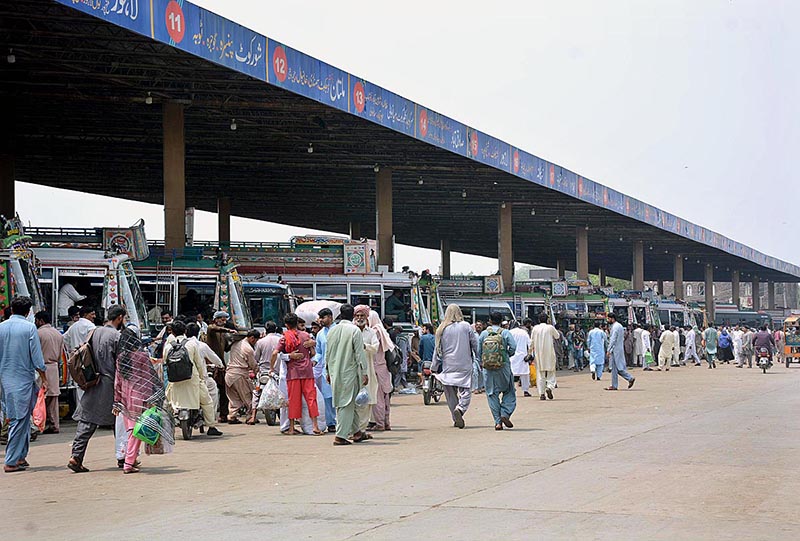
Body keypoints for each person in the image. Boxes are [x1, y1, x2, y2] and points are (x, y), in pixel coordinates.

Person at [68, 305, 126, 473]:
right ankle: (124, 457)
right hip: (110, 384)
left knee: (87, 421)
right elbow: (122, 364)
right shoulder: (117, 336)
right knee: (120, 422)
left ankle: (76, 456)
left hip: (92, 380)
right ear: (120, 318)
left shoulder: (93, 332)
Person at [113, 325, 173, 474]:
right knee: (136, 432)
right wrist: (153, 398)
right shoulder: (142, 356)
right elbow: (148, 378)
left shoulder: (121, 358)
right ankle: (128, 463)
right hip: (140, 398)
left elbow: (117, 381)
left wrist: (117, 401)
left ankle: (130, 460)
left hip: (126, 398)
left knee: (133, 432)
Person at [0, 296, 47, 473]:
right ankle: (11, 460)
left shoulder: (1, 327)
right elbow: (37, 359)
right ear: (28, 312)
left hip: (5, 380)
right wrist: (45, 378)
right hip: (22, 380)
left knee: (21, 419)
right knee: (19, 420)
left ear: (12, 309)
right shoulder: (29, 328)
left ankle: (20, 457)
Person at [165, 321, 223, 437]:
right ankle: (211, 426)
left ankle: (167, 426)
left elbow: (166, 363)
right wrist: (201, 377)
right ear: (184, 331)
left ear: (172, 332)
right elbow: (199, 364)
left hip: (174, 381)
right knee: (207, 402)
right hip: (192, 380)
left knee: (167, 404)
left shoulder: (168, 346)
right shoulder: (192, 345)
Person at [325, 304, 370, 445]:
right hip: (349, 372)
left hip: (334, 371)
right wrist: (364, 372)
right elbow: (359, 354)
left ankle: (357, 432)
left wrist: (327, 371)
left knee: (348, 403)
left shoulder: (332, 331)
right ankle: (340, 436)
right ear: (353, 316)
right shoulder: (354, 330)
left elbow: (327, 353)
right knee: (346, 404)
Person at [272, 314, 321, 435]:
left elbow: (274, 353)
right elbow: (313, 353)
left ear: (286, 325)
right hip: (307, 372)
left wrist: (271, 368)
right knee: (311, 398)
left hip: (293, 373)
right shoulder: (306, 336)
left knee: (293, 400)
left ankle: (292, 427)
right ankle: (315, 426)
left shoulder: (284, 338)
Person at [432, 304, 477, 428]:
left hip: (448, 367)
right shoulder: (466, 326)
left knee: (450, 394)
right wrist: (479, 358)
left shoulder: (441, 328)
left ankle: (455, 416)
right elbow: (475, 344)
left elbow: (437, 350)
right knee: (466, 390)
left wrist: (434, 367)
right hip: (465, 365)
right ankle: (461, 409)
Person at [478, 311, 516, 430]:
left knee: (491, 394)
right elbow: (513, 347)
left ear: (489, 321)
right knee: (509, 391)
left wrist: (483, 362)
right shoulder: (505, 333)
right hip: (503, 366)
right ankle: (505, 413)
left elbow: (479, 351)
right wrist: (506, 355)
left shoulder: (484, 334)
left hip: (488, 368)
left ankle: (497, 422)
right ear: (501, 321)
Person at [34, 311, 64, 434]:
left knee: (40, 398)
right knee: (53, 398)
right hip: (54, 367)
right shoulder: (58, 334)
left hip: (41, 369)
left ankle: (40, 424)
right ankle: (54, 424)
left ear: (40, 321)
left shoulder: (38, 333)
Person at [206, 311, 236, 422]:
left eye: (225, 320)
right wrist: (228, 330)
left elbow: (226, 349)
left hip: (221, 364)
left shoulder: (223, 335)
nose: (224, 322)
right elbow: (214, 328)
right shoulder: (211, 330)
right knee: (209, 390)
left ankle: (223, 415)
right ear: (216, 319)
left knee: (224, 390)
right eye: (221, 320)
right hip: (211, 365)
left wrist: (234, 340)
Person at [368, 309, 395, 431]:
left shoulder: (374, 332)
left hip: (375, 368)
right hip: (384, 368)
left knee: (378, 398)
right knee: (385, 398)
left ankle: (380, 424)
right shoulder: (383, 331)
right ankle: (386, 422)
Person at [249, 321, 281, 425]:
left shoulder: (260, 342)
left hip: (263, 372)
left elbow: (256, 357)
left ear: (265, 330)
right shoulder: (280, 340)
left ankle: (253, 416)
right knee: (283, 391)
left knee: (256, 392)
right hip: (278, 371)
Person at [353, 305, 379, 431]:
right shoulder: (351, 331)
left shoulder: (371, 332)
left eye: (362, 315)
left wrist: (364, 346)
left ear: (366, 317)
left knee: (365, 400)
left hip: (367, 370)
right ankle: (354, 429)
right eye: (357, 316)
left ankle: (361, 430)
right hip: (352, 369)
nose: (359, 318)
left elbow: (375, 348)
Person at [225, 330, 260, 424]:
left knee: (233, 397)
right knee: (247, 395)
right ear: (252, 338)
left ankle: (232, 416)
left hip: (229, 374)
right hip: (239, 374)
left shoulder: (235, 344)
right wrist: (258, 373)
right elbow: (253, 364)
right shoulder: (248, 349)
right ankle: (250, 416)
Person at [313, 308, 337, 432]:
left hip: (340, 367)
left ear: (330, 317)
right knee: (327, 397)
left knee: (340, 396)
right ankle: (331, 423)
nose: (321, 320)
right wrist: (314, 361)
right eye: (320, 318)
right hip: (325, 370)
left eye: (323, 318)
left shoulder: (338, 330)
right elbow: (319, 352)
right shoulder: (320, 334)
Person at [529, 313, 559, 401]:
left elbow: (531, 342)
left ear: (539, 320)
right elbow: (557, 336)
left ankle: (541, 393)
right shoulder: (550, 328)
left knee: (540, 374)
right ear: (547, 320)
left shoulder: (535, 328)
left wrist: (529, 352)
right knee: (551, 372)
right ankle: (549, 387)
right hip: (549, 353)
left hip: (538, 355)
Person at [605, 313, 636, 391]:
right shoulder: (619, 326)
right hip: (618, 349)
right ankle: (614, 385)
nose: (608, 320)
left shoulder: (615, 327)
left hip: (615, 350)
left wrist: (609, 349)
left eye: (608, 318)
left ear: (612, 318)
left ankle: (629, 378)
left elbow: (613, 339)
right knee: (615, 368)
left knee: (617, 368)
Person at [509, 320, 532, 396]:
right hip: (523, 356)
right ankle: (525, 390)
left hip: (512, 356)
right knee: (525, 374)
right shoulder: (524, 333)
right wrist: (530, 354)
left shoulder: (509, 333)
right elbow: (530, 344)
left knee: (511, 374)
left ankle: (511, 389)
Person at [471, 320, 486, 393]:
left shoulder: (484, 334)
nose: (478, 326)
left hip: (483, 356)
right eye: (477, 325)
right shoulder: (473, 334)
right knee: (475, 372)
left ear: (482, 326)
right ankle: (475, 388)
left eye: (480, 325)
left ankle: (481, 387)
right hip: (474, 356)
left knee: (482, 373)